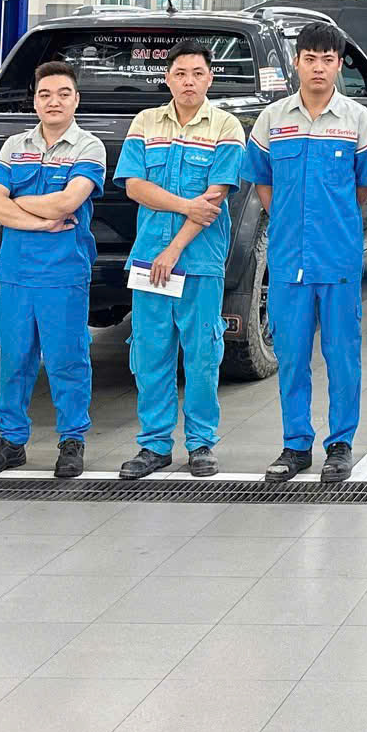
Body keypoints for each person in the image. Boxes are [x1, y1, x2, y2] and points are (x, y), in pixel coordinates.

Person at [244, 21, 367, 485]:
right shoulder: (272, 120)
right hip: (289, 260)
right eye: (310, 59)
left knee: (342, 356)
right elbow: (263, 181)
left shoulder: (358, 121)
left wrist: (333, 220)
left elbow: (365, 186)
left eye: (327, 59)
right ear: (297, 63)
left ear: (339, 65)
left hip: (338, 258)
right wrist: (287, 218)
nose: (318, 67)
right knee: (291, 355)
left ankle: (340, 444)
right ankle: (296, 444)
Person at [113, 40, 246, 479]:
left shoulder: (226, 126)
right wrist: (184, 206)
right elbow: (134, 186)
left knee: (202, 354)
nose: (189, 81)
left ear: (210, 78)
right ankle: (153, 445)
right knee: (150, 352)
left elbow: (215, 198)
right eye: (180, 73)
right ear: (167, 78)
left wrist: (174, 248)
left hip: (198, 259)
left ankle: (201, 443)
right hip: (149, 259)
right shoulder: (145, 122)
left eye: (197, 73)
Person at [0, 62, 106, 480]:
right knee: (14, 360)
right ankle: (10, 442)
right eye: (45, 94)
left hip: (63, 272)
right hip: (16, 272)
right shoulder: (15, 145)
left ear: (76, 99)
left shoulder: (89, 147)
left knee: (66, 359)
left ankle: (72, 439)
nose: (53, 101)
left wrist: (17, 203)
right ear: (34, 100)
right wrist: (41, 222)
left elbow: (68, 202)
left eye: (63, 93)